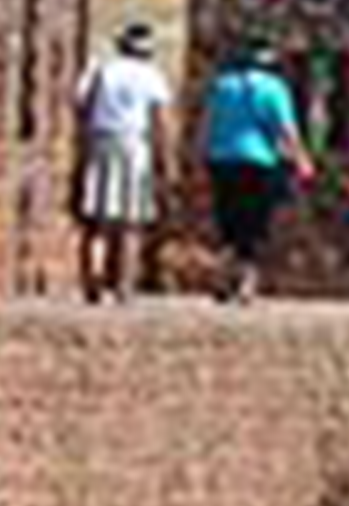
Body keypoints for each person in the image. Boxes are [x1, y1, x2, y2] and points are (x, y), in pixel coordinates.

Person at [200, 41, 318, 304]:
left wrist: (206, 152)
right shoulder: (273, 88)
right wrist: (302, 159)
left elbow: (208, 122)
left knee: (228, 221)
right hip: (258, 160)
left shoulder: (222, 86)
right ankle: (246, 283)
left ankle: (224, 276)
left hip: (222, 159)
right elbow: (286, 129)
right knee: (254, 224)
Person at [70, 19, 175, 304]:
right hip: (133, 145)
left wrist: (81, 147)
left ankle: (91, 279)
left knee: (97, 220)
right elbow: (160, 120)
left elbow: (83, 107)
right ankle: (123, 286)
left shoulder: (102, 72)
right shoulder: (151, 77)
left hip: (100, 140)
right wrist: (165, 160)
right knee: (130, 221)